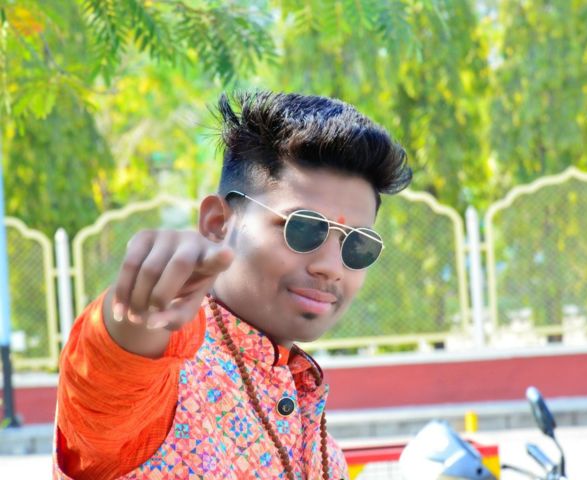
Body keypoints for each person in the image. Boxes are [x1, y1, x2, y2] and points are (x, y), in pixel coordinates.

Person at [53, 91, 412, 480]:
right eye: (302, 228)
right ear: (217, 224)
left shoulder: (321, 445)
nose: (330, 267)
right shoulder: (166, 384)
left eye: (357, 244)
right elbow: (112, 376)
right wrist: (137, 316)